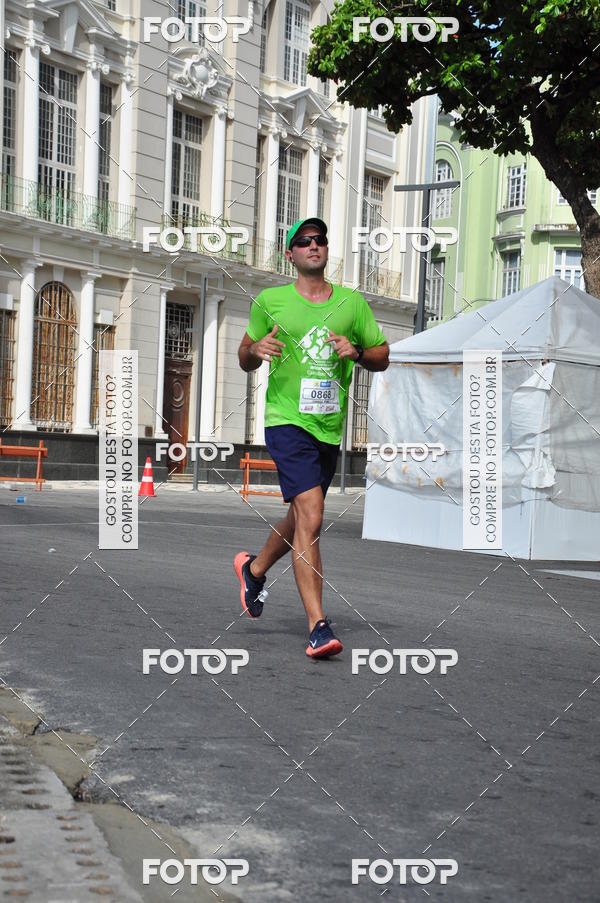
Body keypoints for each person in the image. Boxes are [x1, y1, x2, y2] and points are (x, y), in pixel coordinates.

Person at [234, 217, 389, 658]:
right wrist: (255, 351)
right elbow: (244, 355)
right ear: (291, 254)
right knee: (313, 516)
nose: (314, 246)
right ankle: (318, 626)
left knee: (303, 517)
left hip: (328, 426)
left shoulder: (350, 304)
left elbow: (383, 355)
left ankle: (255, 569)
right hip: (286, 420)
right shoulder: (270, 301)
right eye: (304, 242)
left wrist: (357, 352)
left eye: (320, 240)